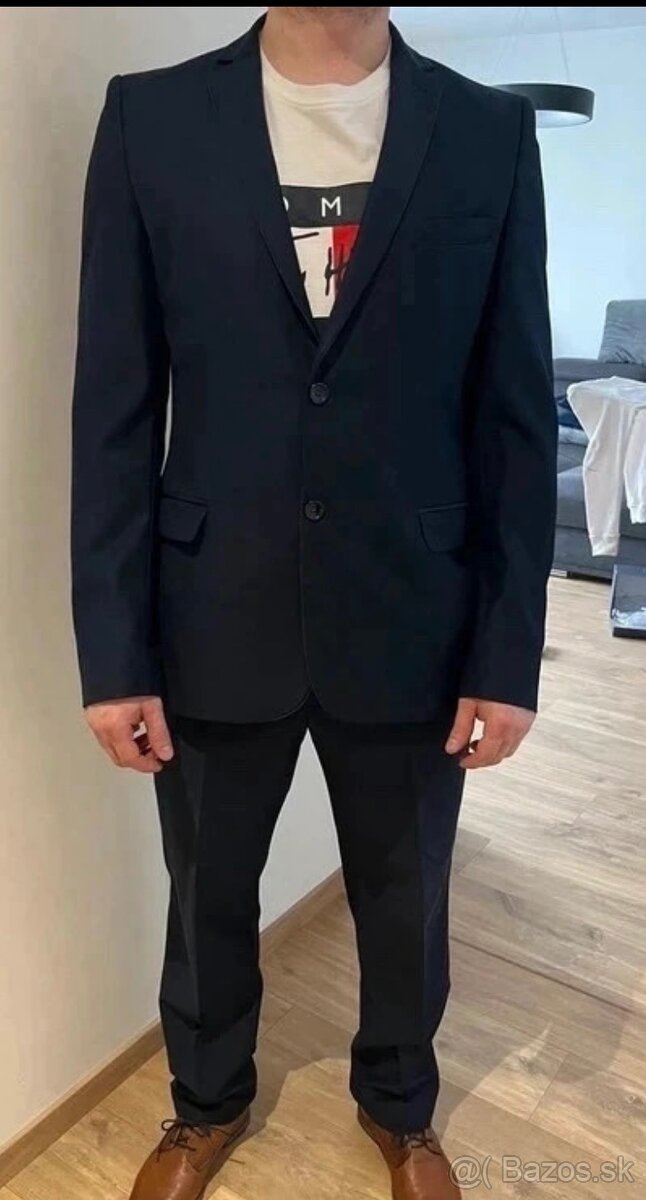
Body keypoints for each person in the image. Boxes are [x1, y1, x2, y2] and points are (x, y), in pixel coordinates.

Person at [71, 7, 556, 1199]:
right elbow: (115, 409)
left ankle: (401, 1106)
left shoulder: (487, 134)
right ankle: (205, 1102)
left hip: (414, 608)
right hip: (209, 603)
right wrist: (113, 653)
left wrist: (506, 655)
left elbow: (513, 415)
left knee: (405, 894)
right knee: (207, 890)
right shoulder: (150, 120)